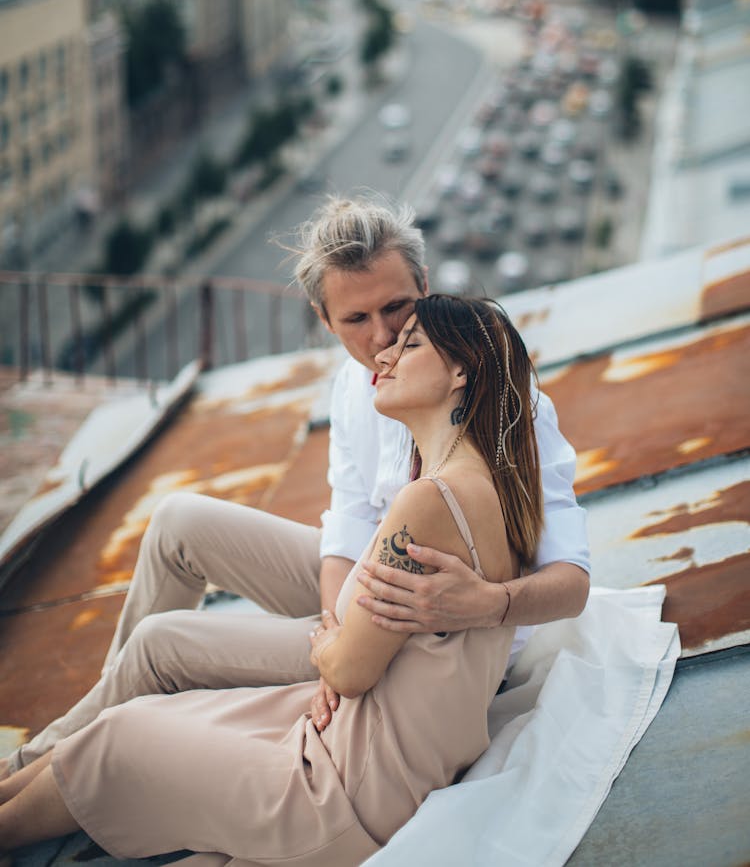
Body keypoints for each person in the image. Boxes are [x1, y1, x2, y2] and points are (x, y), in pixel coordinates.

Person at [0, 196, 589, 776]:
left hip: (435, 639)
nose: (382, 338)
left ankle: (34, 768)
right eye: (356, 319)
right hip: (370, 593)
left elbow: (572, 582)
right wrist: (334, 633)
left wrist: (488, 605)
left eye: (398, 307)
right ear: (324, 319)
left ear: (427, 287)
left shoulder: (506, 405)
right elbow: (350, 522)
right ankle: (97, 720)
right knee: (178, 520)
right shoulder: (354, 389)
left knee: (161, 647)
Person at [1, 295, 546, 864]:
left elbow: (350, 669)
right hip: (377, 762)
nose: (384, 355)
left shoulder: (431, 499)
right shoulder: (491, 483)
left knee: (117, 741)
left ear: (460, 370)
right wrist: (342, 642)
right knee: (149, 718)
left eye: (409, 344)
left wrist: (330, 640)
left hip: (347, 793)